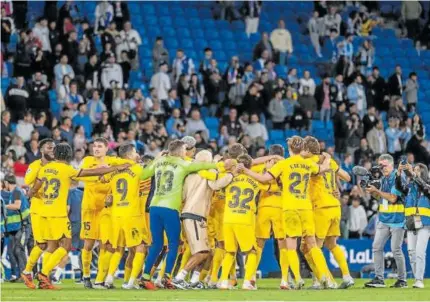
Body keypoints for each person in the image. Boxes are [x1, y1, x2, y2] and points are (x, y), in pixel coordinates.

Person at [27, 143, 131, 289]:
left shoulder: (44, 169)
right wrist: (114, 168)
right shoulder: (67, 169)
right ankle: (43, 274)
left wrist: (32, 195)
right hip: (59, 214)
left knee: (50, 245)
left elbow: (33, 190)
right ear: (67, 155)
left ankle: (41, 276)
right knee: (66, 245)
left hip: (44, 212)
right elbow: (90, 173)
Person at [238, 136, 332, 288]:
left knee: (261, 245)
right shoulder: (307, 163)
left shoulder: (281, 164)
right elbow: (324, 168)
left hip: (272, 208)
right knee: (298, 245)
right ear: (302, 148)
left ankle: (249, 279)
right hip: (294, 207)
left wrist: (246, 171)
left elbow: (260, 175)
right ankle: (288, 279)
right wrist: (327, 157)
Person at [138, 140, 231, 289]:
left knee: (156, 244)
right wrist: (219, 164)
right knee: (174, 244)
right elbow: (202, 166)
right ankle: (168, 278)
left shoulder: (160, 161)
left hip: (154, 206)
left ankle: (145, 276)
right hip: (170, 208)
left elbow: (143, 175)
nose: (185, 152)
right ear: (181, 151)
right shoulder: (183, 164)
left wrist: (156, 159)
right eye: (184, 150)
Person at [172, 150, 234, 289]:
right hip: (195, 214)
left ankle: (194, 280)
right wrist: (230, 174)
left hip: (191, 214)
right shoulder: (207, 171)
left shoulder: (189, 175)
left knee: (208, 252)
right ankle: (179, 277)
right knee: (202, 252)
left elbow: (182, 196)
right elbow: (216, 185)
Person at [301, 136, 354, 289]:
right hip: (335, 207)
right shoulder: (329, 161)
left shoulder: (310, 162)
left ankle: (321, 280)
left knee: (314, 246)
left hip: (321, 207)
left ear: (307, 150)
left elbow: (316, 173)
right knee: (332, 244)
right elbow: (347, 177)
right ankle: (347, 276)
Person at [364, 154, 407, 288]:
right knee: (376, 247)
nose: (382, 169)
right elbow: (381, 198)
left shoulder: (398, 178)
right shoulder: (383, 179)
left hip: (397, 220)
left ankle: (402, 280)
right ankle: (379, 278)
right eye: (380, 166)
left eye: (384, 166)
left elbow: (393, 198)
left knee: (396, 250)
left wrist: (377, 190)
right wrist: (373, 192)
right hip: (383, 219)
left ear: (392, 165)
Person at [20, 138, 56, 289]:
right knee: (42, 243)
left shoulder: (57, 166)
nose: (52, 150)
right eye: (49, 148)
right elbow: (27, 184)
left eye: (53, 147)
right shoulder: (35, 165)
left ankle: (44, 277)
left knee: (52, 244)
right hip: (38, 209)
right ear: (41, 150)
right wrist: (36, 189)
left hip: (53, 209)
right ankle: (27, 272)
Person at [395, 162, 429, 289]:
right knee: (411, 252)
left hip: (425, 222)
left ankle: (419, 279)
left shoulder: (427, 185)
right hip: (411, 221)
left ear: (423, 172)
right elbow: (399, 187)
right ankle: (416, 278)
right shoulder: (410, 187)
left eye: (417, 170)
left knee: (420, 252)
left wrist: (413, 174)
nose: (414, 172)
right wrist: (399, 173)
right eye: (413, 169)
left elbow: (424, 187)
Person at [3, 174, 30, 281]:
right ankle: (22, 275)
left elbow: (17, 206)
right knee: (15, 250)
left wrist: (3, 206)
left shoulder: (16, 192)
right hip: (17, 226)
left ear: (6, 183)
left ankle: (25, 275)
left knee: (19, 250)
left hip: (24, 225)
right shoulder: (14, 193)